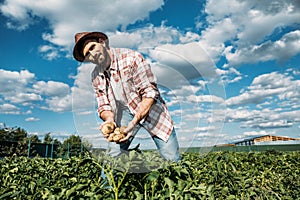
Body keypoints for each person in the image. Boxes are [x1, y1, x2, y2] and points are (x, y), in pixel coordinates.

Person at [73, 31, 180, 162]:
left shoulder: (132, 58)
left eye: (92, 47)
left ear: (102, 42)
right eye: (87, 54)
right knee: (111, 160)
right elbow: (103, 105)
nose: (92, 55)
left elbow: (149, 92)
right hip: (124, 113)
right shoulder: (96, 76)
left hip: (151, 110)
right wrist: (109, 120)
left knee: (172, 159)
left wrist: (134, 123)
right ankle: (109, 182)